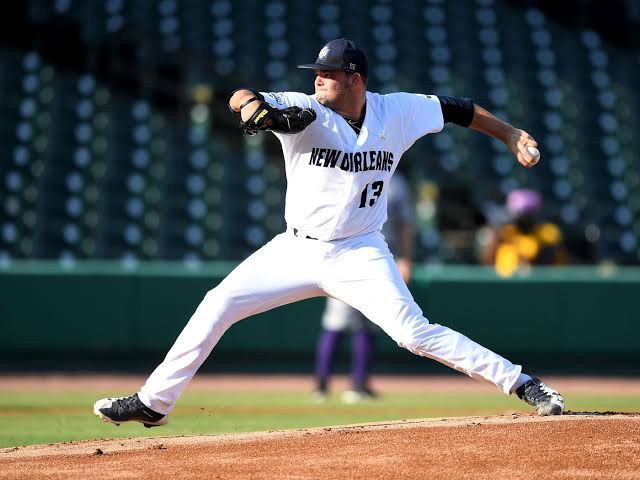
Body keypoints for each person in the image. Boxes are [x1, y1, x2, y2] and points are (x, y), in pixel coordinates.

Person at [94, 38, 564, 428]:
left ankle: (523, 383)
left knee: (414, 334)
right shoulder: (306, 108)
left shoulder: (397, 111)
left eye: (329, 72)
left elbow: (459, 109)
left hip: (361, 251)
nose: (317, 78)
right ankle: (155, 403)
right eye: (315, 71)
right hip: (296, 249)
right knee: (217, 303)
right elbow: (244, 95)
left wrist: (508, 134)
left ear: (356, 79)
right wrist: (254, 108)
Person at [314, 171, 415, 403]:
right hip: (349, 256)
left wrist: (405, 258)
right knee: (338, 322)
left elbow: (405, 224)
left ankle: (356, 384)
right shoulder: (350, 171)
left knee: (364, 324)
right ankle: (323, 383)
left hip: (373, 258)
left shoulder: (394, 182)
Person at [479, 188, 568, 277]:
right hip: (505, 284)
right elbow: (487, 260)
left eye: (527, 215)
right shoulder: (505, 232)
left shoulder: (547, 233)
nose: (524, 219)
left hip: (540, 285)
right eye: (519, 215)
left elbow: (556, 264)